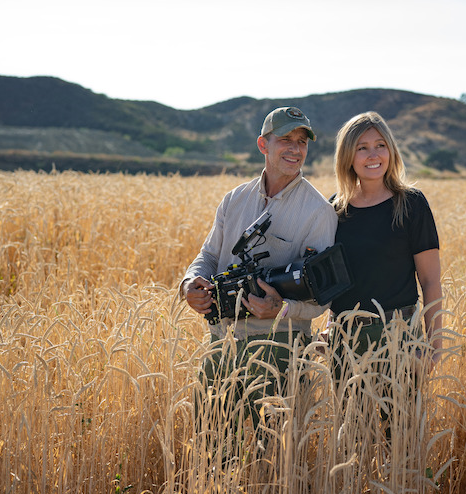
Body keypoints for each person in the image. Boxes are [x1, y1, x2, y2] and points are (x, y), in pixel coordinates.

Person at [181, 106, 337, 431]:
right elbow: (208, 255)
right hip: (222, 344)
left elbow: (322, 298)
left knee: (277, 458)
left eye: (302, 141)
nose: (295, 148)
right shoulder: (233, 199)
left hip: (280, 352)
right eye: (285, 139)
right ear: (263, 145)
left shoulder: (319, 212)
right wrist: (189, 286)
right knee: (213, 448)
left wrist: (281, 307)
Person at [329, 111, 443, 384]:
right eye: (362, 148)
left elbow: (430, 280)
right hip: (346, 341)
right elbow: (333, 279)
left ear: (391, 150)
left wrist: (434, 346)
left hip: (400, 337)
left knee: (403, 427)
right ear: (348, 156)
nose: (373, 155)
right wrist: (330, 327)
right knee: (352, 426)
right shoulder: (335, 208)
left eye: (381, 146)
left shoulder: (411, 204)